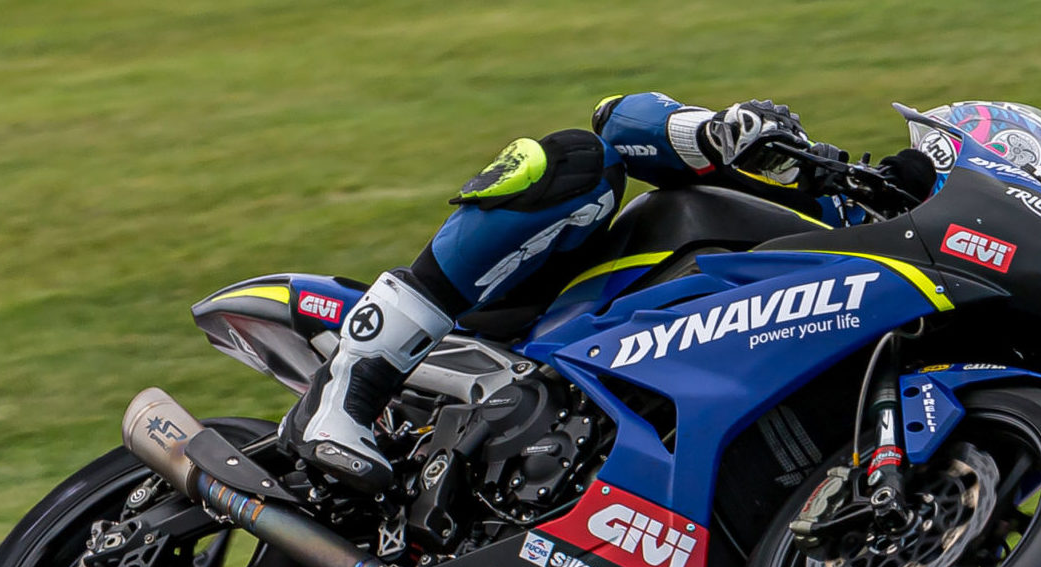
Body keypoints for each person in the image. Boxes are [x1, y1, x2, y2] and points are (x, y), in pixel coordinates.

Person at [287, 93, 939, 492]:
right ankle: (353, 387)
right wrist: (719, 135)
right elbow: (619, 117)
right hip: (557, 319)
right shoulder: (820, 193)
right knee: (576, 161)